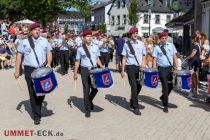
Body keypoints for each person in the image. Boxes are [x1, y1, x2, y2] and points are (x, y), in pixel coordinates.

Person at [14, 22, 52, 125]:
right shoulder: (24, 41)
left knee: (44, 90)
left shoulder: (44, 41)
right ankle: (36, 116)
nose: (37, 31)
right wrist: (17, 70)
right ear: (31, 31)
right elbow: (19, 56)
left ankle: (37, 107)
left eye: (39, 29)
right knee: (32, 93)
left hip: (43, 68)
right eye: (35, 29)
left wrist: (49, 63)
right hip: (29, 70)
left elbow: (49, 52)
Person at [74, 29, 104, 118]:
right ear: (83, 38)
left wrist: (101, 66)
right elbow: (77, 61)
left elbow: (97, 58)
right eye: (87, 36)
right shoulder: (80, 49)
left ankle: (89, 100)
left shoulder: (95, 47)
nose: (89, 38)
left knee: (95, 89)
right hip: (84, 70)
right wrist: (75, 73)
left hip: (94, 70)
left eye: (90, 36)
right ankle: (87, 109)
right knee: (86, 89)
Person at [121, 27, 146, 115]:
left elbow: (143, 56)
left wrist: (143, 63)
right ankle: (135, 107)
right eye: (134, 33)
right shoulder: (126, 44)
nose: (135, 34)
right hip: (130, 67)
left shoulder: (141, 44)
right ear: (130, 35)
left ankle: (132, 99)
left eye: (136, 33)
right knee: (134, 87)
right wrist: (123, 70)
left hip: (139, 68)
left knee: (139, 86)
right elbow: (124, 58)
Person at [152, 32, 178, 113]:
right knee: (165, 86)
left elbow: (174, 56)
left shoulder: (171, 45)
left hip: (170, 68)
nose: (164, 40)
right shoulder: (157, 48)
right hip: (161, 69)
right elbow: (154, 59)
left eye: (165, 38)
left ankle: (163, 96)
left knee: (171, 86)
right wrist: (154, 70)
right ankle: (165, 105)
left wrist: (176, 66)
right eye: (162, 38)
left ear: (167, 38)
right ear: (160, 39)